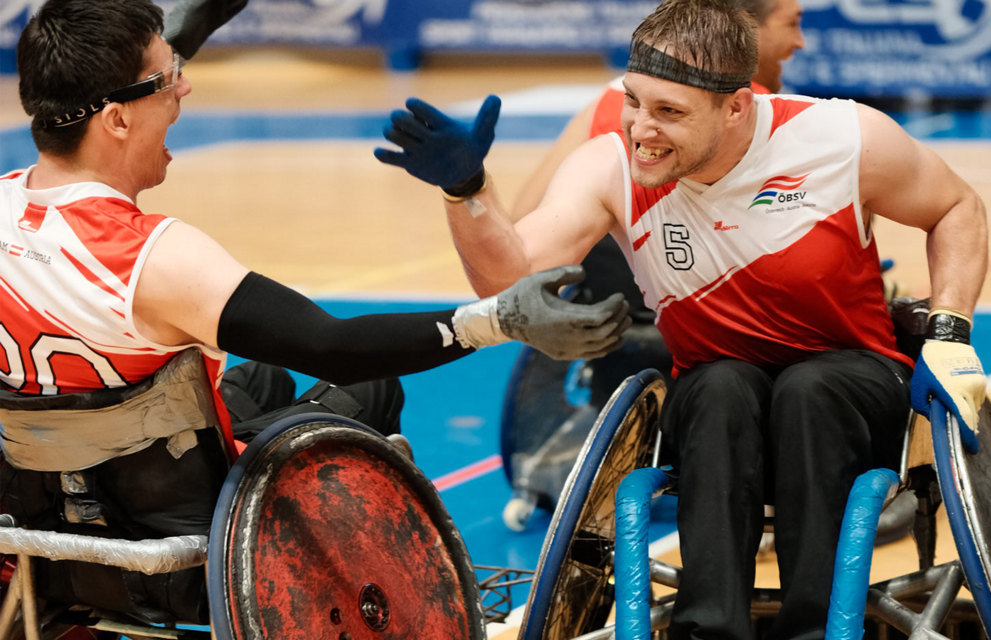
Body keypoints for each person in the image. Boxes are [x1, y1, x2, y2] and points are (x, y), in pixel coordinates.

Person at [0, 0, 631, 623]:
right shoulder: (153, 260)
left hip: (37, 543)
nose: (185, 85)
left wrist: (169, 44)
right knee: (369, 383)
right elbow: (330, 345)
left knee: (258, 377)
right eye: (170, 79)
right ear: (114, 119)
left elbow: (106, 94)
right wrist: (495, 318)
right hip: (186, 561)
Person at [374, 0, 989, 638]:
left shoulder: (841, 137)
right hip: (716, 388)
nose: (641, 128)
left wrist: (949, 331)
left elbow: (956, 207)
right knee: (721, 387)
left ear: (735, 106)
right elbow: (508, 279)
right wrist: (468, 190)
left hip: (851, 383)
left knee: (812, 388)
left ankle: (816, 628)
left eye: (669, 112)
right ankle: (707, 630)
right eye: (635, 101)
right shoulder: (612, 166)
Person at [512, 0, 804, 218]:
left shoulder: (611, 97)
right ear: (743, 26)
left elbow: (522, 218)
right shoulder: (762, 113)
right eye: (791, 24)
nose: (799, 41)